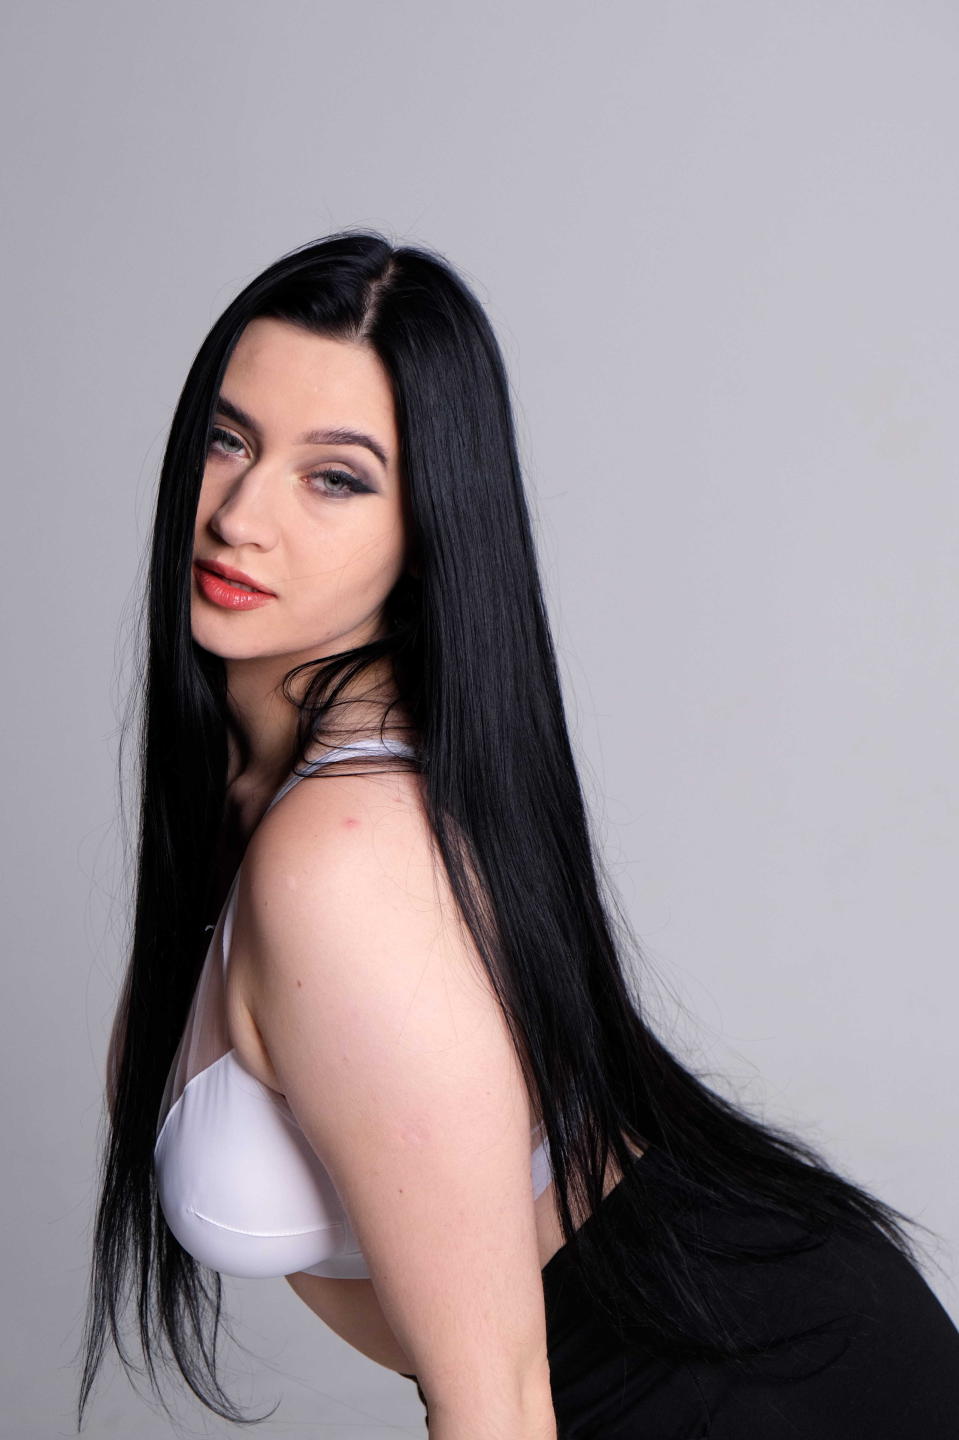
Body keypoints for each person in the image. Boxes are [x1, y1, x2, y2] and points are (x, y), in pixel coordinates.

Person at [78, 230, 959, 1439]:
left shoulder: (345, 853)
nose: (238, 515)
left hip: (739, 1390)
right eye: (229, 440)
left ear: (427, 524)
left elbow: (493, 1400)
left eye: (334, 478)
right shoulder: (267, 791)